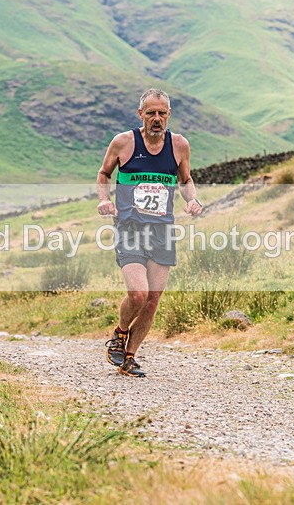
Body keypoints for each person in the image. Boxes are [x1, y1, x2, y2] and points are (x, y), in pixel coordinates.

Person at [96, 88, 202, 377]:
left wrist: (191, 199)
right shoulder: (123, 142)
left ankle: (129, 356)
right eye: (151, 112)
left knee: (153, 298)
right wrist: (105, 200)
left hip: (162, 231)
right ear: (140, 113)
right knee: (139, 294)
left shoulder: (179, 145)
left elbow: (186, 179)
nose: (157, 118)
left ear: (169, 115)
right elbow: (104, 174)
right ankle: (119, 334)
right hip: (129, 228)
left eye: (162, 113)